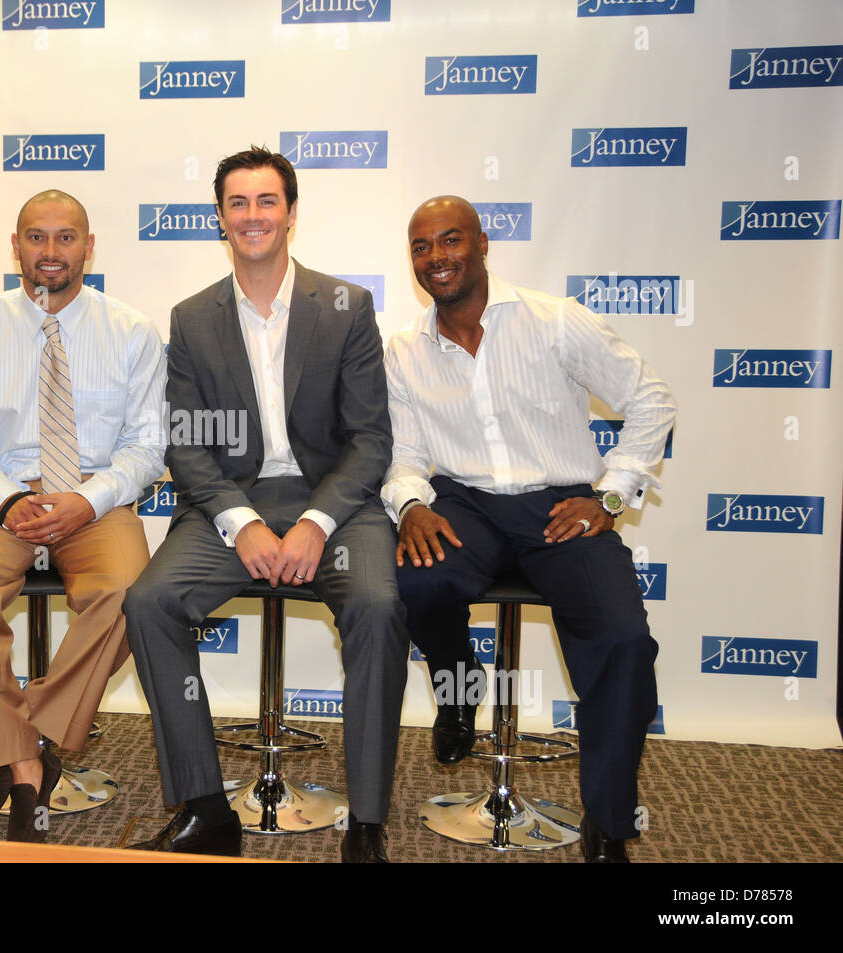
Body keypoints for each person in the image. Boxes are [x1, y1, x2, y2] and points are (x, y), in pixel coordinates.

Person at [123, 147, 410, 862]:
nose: (254, 216)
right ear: (220, 217)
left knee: (377, 605)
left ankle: (367, 820)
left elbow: (371, 440)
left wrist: (316, 522)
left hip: (334, 504)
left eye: (267, 201)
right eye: (239, 203)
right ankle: (206, 805)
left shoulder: (346, 306)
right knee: (150, 601)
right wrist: (241, 520)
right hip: (231, 505)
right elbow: (186, 444)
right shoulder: (192, 317)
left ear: (291, 212)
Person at [383, 195, 676, 862]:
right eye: (423, 247)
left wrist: (610, 494)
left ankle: (608, 822)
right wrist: (411, 505)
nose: (438, 257)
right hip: (466, 503)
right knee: (414, 580)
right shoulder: (404, 349)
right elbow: (403, 457)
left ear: (482, 244)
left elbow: (650, 397)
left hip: (559, 503)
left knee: (624, 639)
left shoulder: (553, 320)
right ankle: (460, 686)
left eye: (451, 240)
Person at [0, 190, 164, 842]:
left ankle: (17, 735)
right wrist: (5, 496)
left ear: (90, 247)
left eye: (66, 238)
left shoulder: (132, 331)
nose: (50, 252)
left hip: (95, 497)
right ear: (16, 245)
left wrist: (88, 498)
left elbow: (148, 444)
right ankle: (27, 761)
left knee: (128, 594)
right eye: (37, 237)